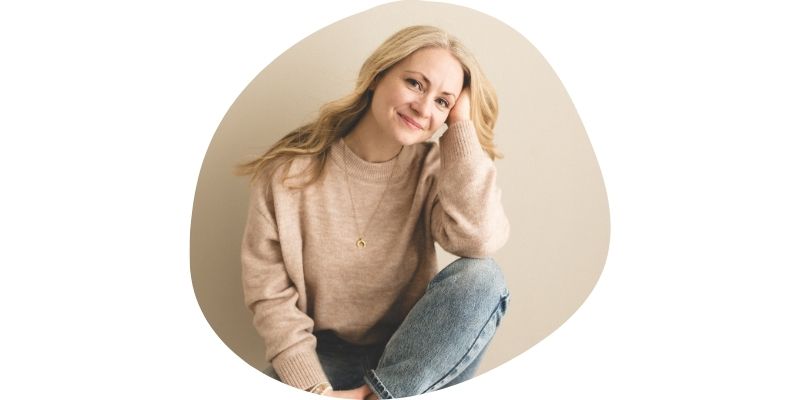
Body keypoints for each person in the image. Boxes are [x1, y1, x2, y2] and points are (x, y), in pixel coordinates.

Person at [237, 25, 510, 399]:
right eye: (415, 83)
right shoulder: (287, 174)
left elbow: (480, 240)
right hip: (323, 358)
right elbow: (270, 297)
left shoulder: (433, 171)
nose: (424, 107)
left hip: (414, 357)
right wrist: (314, 389)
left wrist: (460, 126)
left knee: (482, 277)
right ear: (377, 75)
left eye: (443, 102)